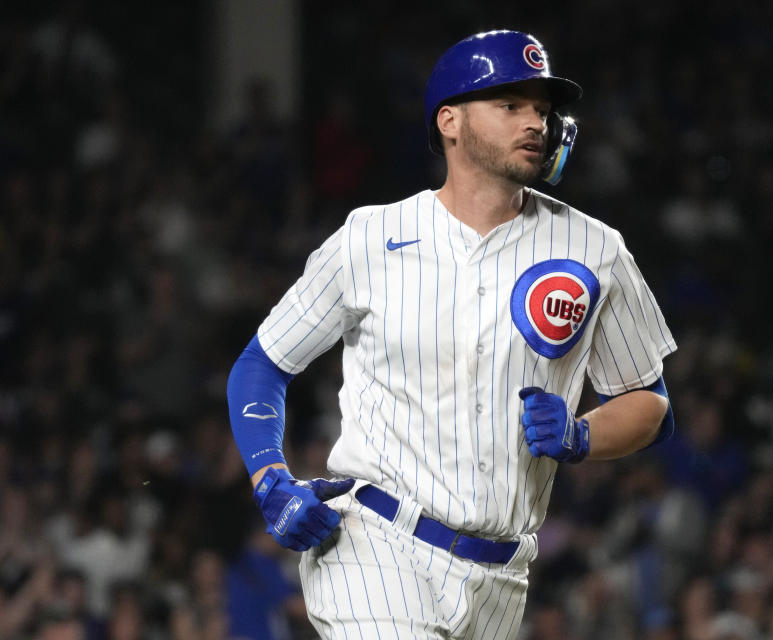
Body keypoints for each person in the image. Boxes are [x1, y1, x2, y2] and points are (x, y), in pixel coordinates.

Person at [226, 29, 677, 639]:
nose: (534, 123)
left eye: (542, 109)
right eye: (510, 105)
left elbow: (649, 402)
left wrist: (580, 434)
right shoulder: (370, 237)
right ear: (450, 122)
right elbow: (263, 363)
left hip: (503, 577)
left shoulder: (596, 249)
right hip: (376, 543)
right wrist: (268, 476)